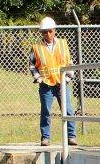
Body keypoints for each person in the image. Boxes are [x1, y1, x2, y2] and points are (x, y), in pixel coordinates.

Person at [30, 17, 77, 146]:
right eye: (45, 32)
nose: (48, 34)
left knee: (67, 110)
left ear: (54, 30)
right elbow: (32, 66)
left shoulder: (63, 44)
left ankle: (71, 136)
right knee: (46, 111)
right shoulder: (36, 47)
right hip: (46, 85)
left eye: (50, 31)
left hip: (62, 83)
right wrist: (39, 79)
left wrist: (67, 79)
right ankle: (45, 137)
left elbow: (70, 63)